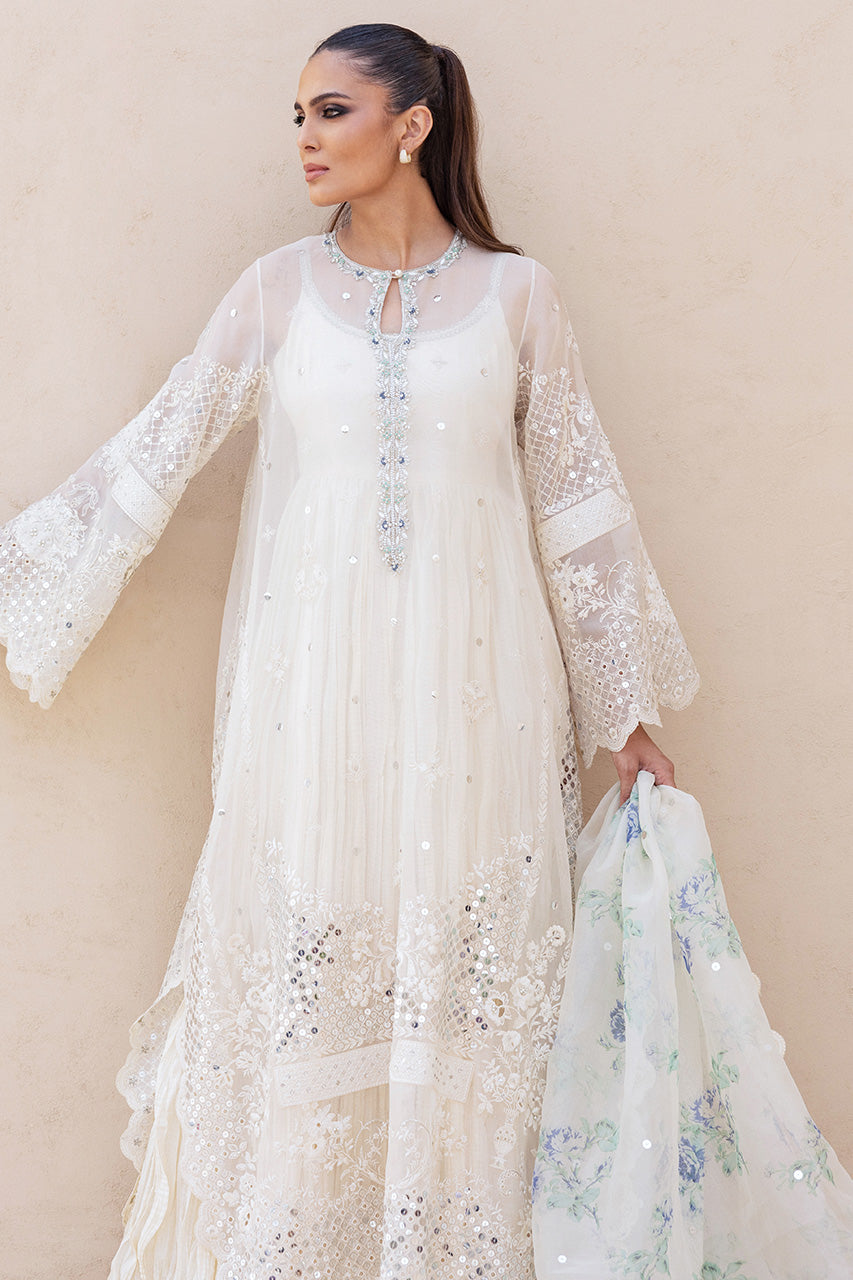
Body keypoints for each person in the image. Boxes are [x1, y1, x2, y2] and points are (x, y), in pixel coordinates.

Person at [0, 23, 701, 1280]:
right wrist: (28, 581)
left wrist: (624, 714)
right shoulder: (274, 291)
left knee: (470, 987)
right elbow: (162, 446)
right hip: (312, 710)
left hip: (480, 707)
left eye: (332, 111)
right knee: (311, 967)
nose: (307, 140)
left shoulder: (518, 297)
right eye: (300, 117)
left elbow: (576, 504)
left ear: (411, 124)